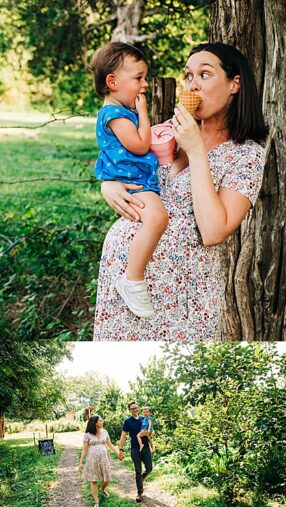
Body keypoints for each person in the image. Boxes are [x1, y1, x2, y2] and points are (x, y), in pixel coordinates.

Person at [93, 42, 268, 341]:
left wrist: (197, 151)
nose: (193, 85)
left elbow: (214, 232)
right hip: (125, 286)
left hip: (181, 296)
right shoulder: (162, 134)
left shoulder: (246, 155)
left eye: (204, 74)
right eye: (189, 76)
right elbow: (121, 163)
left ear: (234, 84)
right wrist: (108, 185)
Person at [90, 43, 169, 319]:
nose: (144, 85)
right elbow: (139, 145)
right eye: (138, 78)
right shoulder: (115, 115)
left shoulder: (119, 113)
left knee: (156, 218)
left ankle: (133, 277)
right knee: (158, 218)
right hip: (134, 182)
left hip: (137, 178)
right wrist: (144, 114)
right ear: (112, 82)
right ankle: (132, 279)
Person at [78, 414, 123, 507]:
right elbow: (84, 449)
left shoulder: (104, 432)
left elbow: (110, 445)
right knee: (93, 480)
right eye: (100, 421)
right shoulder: (87, 435)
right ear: (95, 423)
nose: (102, 422)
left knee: (107, 479)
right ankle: (96, 501)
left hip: (104, 459)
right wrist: (81, 462)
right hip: (92, 460)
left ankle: (102, 489)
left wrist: (119, 453)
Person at [117, 401, 152, 502]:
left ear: (138, 408)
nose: (135, 410)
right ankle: (139, 493)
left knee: (149, 468)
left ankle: (141, 479)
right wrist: (120, 449)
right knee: (138, 470)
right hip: (135, 449)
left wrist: (152, 444)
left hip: (145, 447)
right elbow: (123, 436)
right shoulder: (127, 422)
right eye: (132, 408)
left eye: (136, 408)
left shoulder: (144, 418)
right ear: (129, 410)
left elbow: (150, 431)